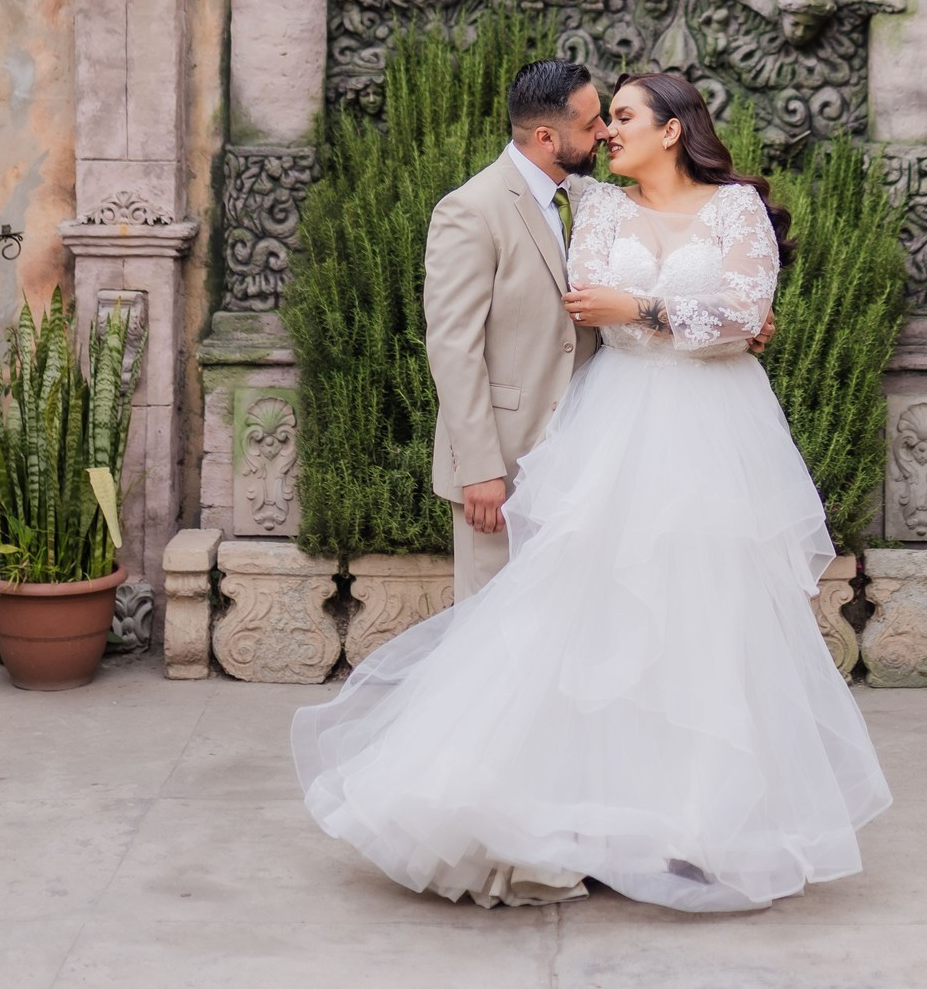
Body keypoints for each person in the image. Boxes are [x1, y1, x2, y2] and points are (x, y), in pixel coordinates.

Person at [293, 70, 891, 912]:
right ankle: (547, 821)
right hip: (609, 433)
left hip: (714, 436)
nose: (606, 132)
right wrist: (694, 319)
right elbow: (529, 311)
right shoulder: (590, 206)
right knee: (583, 628)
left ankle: (694, 820)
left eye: (620, 116)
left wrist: (664, 309)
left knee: (705, 625)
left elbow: (744, 306)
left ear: (673, 129)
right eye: (596, 119)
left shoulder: (732, 209)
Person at [421, 58, 610, 599]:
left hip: (584, 453)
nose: (604, 132)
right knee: (494, 631)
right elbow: (454, 346)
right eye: (592, 123)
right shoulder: (470, 210)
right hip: (502, 463)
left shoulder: (587, 199)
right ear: (548, 137)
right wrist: (479, 469)